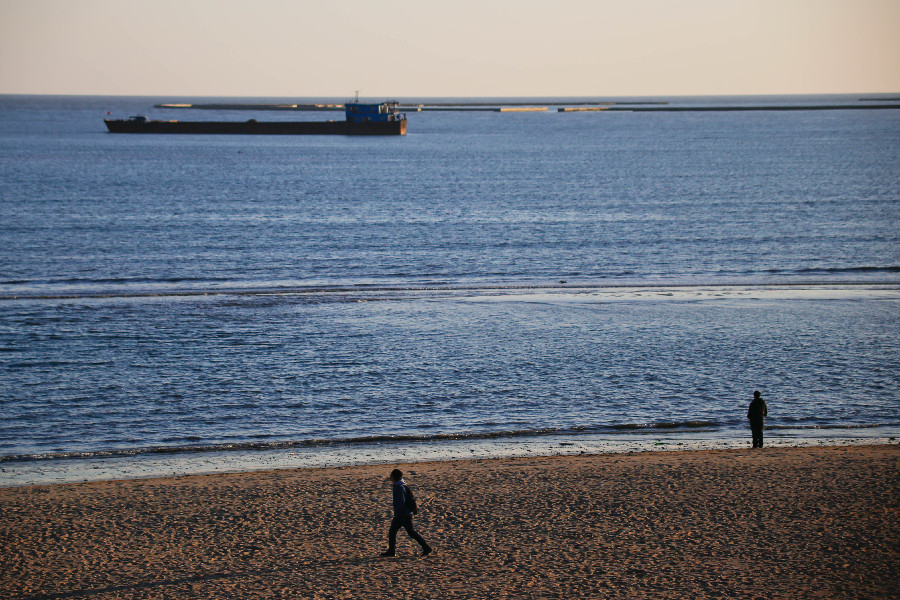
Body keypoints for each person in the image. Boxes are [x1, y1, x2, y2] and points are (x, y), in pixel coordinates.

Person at [381, 468, 432, 557]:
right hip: (403, 514)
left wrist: (398, 512)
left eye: (391, 475)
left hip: (402, 514)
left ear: (393, 477)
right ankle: (391, 551)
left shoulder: (399, 487)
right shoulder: (400, 485)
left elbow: (401, 502)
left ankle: (426, 548)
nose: (390, 477)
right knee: (405, 532)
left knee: (400, 532)